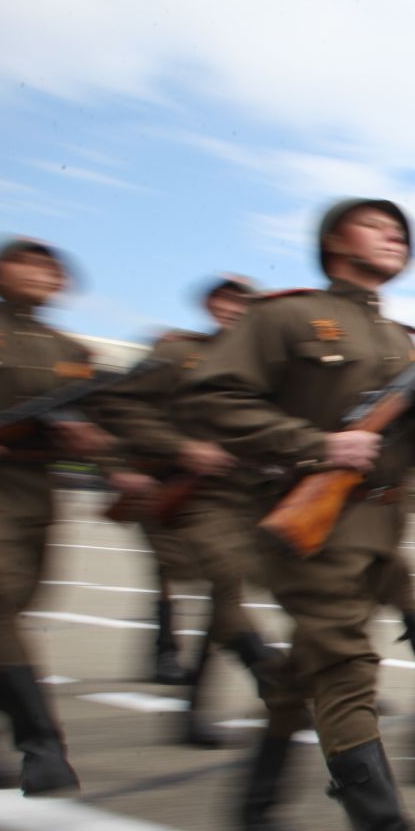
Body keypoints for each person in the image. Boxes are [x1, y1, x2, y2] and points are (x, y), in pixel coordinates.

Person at [181, 199, 415, 831]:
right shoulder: (286, 316)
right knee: (349, 672)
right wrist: (315, 445)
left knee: (303, 674)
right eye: (375, 223)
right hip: (314, 530)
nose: (395, 233)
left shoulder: (400, 340)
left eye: (402, 230)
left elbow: (414, 448)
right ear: (333, 241)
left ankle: (256, 812)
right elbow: (214, 399)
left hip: (382, 533)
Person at [0, 238, 150, 793]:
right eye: (25, 261)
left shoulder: (70, 351)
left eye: (52, 267)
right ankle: (41, 744)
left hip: (36, 498)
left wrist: (107, 458)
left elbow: (104, 427)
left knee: (8, 618)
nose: (40, 273)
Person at [101, 275, 288, 748]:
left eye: (246, 301)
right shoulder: (178, 353)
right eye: (226, 298)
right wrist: (180, 448)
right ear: (210, 304)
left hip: (247, 493)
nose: (235, 308)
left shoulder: (272, 366)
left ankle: (196, 710)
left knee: (224, 602)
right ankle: (272, 681)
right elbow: (121, 405)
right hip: (186, 492)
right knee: (225, 588)